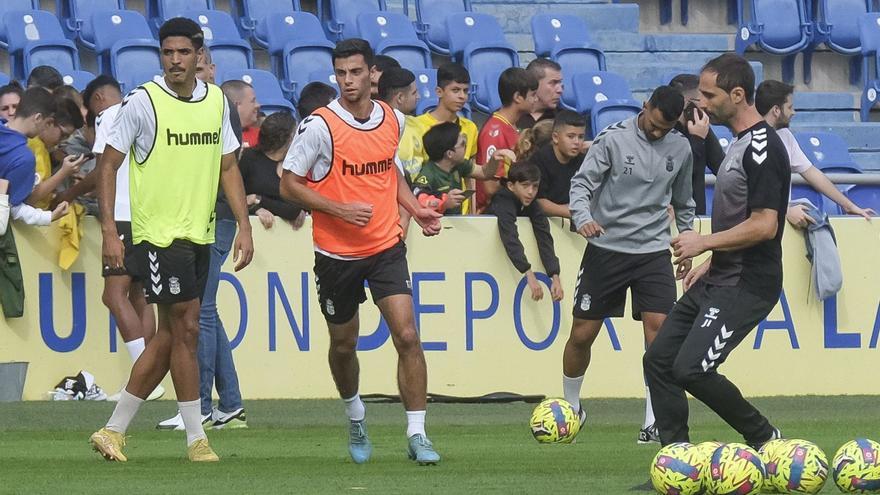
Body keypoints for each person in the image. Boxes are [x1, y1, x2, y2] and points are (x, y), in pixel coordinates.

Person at [88, 17, 254, 463]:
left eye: (183, 52)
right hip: (158, 235)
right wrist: (108, 231)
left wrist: (245, 224)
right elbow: (106, 167)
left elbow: (229, 167)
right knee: (184, 328)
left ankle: (114, 429)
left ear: (199, 56)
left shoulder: (216, 101)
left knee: (174, 333)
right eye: (168, 52)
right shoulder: (143, 102)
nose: (175, 60)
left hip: (199, 232)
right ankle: (196, 438)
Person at [279, 38, 442, 466]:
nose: (347, 81)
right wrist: (337, 208)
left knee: (407, 334)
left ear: (373, 75)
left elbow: (390, 170)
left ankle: (417, 433)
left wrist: (416, 210)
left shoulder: (393, 119)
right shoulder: (319, 126)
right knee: (344, 345)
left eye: (355, 72)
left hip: (386, 245)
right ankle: (355, 416)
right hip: (335, 254)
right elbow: (288, 184)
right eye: (341, 73)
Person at [643, 53, 788, 451]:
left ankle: (765, 437)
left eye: (709, 94)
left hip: (747, 284)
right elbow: (740, 221)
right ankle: (678, 459)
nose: (701, 103)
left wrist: (703, 242)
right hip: (721, 276)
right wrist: (710, 262)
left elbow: (765, 224)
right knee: (658, 361)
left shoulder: (763, 148)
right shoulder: (740, 144)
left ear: (738, 94)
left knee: (692, 368)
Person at [564, 85, 695, 444]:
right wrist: (581, 217)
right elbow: (581, 185)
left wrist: (687, 241)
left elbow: (684, 201)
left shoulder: (681, 147)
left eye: (665, 129)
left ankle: (653, 420)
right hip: (607, 246)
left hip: (652, 251)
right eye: (653, 125)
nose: (657, 133)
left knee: (659, 333)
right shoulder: (613, 139)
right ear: (645, 107)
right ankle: (572, 408)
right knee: (582, 334)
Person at [157, 46, 250, 431]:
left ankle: (202, 408)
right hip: (207, 214)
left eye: (201, 62)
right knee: (206, 309)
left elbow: (231, 162)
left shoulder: (216, 105)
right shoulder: (192, 104)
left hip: (213, 214)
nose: (201, 70)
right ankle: (229, 405)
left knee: (202, 310)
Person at [79, 75, 164, 403]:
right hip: (148, 216)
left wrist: (71, 193)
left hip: (124, 216)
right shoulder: (142, 111)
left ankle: (146, 379)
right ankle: (145, 381)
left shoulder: (109, 116)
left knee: (114, 296)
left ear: (98, 99)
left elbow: (103, 171)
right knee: (140, 296)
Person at [754, 80, 875, 226]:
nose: (793, 112)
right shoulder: (749, 142)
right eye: (790, 107)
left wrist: (849, 206)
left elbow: (812, 173)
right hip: (756, 226)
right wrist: (785, 211)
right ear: (776, 110)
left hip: (777, 223)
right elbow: (750, 193)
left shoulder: (785, 136)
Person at [486, 162, 563, 302]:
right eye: (525, 185)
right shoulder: (502, 200)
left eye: (535, 186)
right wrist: (528, 273)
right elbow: (510, 236)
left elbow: (544, 236)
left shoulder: (532, 203)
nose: (530, 192)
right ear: (510, 186)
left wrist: (555, 275)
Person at [410, 63, 479, 211]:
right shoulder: (417, 126)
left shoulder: (470, 127)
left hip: (461, 214)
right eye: (455, 90)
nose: (462, 96)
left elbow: (470, 176)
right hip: (430, 211)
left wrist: (472, 213)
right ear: (439, 92)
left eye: (465, 91)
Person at [0, 88, 70, 225]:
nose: (46, 128)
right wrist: (49, 217)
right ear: (38, 118)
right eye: (48, 122)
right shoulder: (24, 158)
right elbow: (14, 208)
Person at [413, 121, 512, 215]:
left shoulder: (459, 164)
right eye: (463, 144)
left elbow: (484, 172)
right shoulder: (428, 174)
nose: (466, 147)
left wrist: (494, 158)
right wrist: (444, 203)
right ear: (450, 154)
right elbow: (419, 198)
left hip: (456, 222)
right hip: (435, 225)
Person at [475, 67, 537, 212]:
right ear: (518, 97)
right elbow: (490, 187)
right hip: (492, 214)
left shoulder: (516, 127)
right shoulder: (494, 132)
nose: (536, 100)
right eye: (533, 95)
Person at [669, 74, 726, 216]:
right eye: (701, 99)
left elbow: (722, 168)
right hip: (670, 216)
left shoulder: (700, 127)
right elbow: (682, 175)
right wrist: (696, 140)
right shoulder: (664, 131)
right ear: (686, 103)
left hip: (696, 215)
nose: (705, 105)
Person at [241, 111, 304, 229]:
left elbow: (293, 210)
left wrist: (258, 200)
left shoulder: (296, 164)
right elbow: (237, 197)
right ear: (289, 138)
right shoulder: (249, 158)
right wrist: (256, 208)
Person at [532, 110, 587, 219]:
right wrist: (574, 213)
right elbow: (538, 202)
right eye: (571, 136)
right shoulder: (539, 160)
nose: (577, 142)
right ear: (555, 137)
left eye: (581, 137)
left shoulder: (583, 161)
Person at [517, 58, 563, 129]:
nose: (560, 90)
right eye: (553, 83)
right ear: (533, 83)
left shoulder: (565, 120)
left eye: (560, 83)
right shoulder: (508, 116)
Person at [222, 80, 261, 148]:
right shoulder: (217, 137)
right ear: (236, 105)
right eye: (253, 101)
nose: (258, 105)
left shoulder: (263, 136)